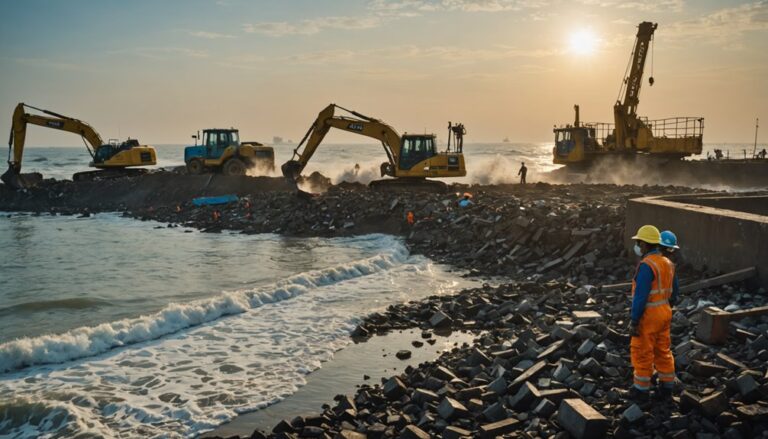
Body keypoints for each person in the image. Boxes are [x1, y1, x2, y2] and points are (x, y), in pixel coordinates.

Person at [628, 225, 679, 402]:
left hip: (649, 314)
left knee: (642, 350)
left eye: (639, 242)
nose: (638, 246)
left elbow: (640, 296)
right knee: (662, 349)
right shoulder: (667, 263)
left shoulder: (647, 265)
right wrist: (665, 306)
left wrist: (634, 320)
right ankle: (667, 386)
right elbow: (675, 291)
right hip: (665, 311)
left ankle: (641, 390)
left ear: (644, 243)